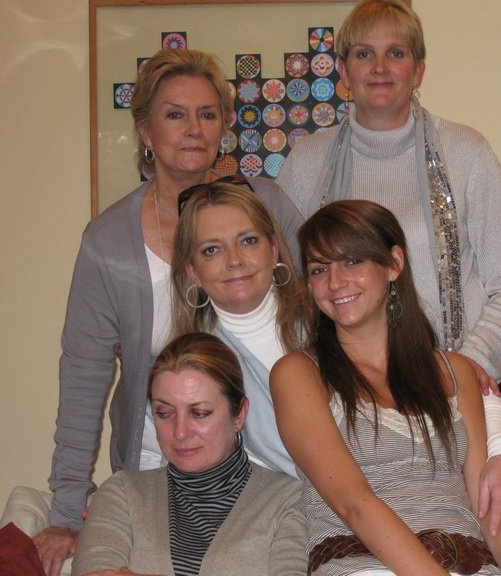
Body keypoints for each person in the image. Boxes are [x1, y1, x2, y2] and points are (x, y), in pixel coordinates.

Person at [34, 48, 304, 576]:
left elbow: (321, 308)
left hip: (272, 469)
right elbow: (84, 374)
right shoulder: (108, 241)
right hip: (158, 463)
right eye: (175, 114)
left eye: (207, 114)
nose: (194, 129)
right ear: (145, 129)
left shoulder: (267, 206)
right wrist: (67, 511)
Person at [275, 0, 501, 524]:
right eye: (363, 54)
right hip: (348, 402)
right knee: (366, 534)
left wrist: (459, 372)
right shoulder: (306, 163)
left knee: (478, 534)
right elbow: (291, 285)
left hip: (462, 390)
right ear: (344, 70)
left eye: (395, 53)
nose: (379, 67)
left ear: (417, 70)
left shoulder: (466, 153)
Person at [271, 200, 501, 575]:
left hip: (469, 562)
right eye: (319, 269)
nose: (335, 282)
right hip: (361, 565)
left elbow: (488, 501)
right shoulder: (299, 374)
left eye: (352, 261)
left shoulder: (456, 371)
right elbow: (353, 503)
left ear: (394, 263)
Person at [72, 332, 307, 576]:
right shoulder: (122, 493)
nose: (180, 432)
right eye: (164, 413)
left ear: (239, 414)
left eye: (200, 413)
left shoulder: (288, 500)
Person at [169, 181, 310, 477]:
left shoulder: (331, 321)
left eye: (247, 241)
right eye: (211, 250)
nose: (234, 260)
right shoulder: (184, 370)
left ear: (273, 250)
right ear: (193, 271)